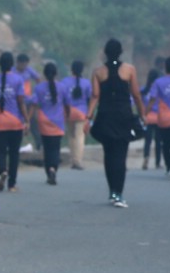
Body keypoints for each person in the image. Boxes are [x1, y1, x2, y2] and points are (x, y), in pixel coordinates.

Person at [90, 38, 147, 206]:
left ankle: (111, 192)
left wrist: (88, 117)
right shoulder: (130, 70)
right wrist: (142, 114)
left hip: (105, 116)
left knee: (109, 154)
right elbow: (136, 95)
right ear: (120, 52)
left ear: (105, 53)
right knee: (121, 155)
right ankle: (118, 193)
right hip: (123, 117)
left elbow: (95, 96)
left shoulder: (98, 72)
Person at [0, 51, 30, 192]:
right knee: (14, 153)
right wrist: (27, 120)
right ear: (12, 64)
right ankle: (12, 184)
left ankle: (3, 171)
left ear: (0, 64)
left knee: (0, 151)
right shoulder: (18, 80)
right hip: (15, 122)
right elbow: (21, 102)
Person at [28, 62, 69, 185]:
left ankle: (48, 170)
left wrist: (28, 120)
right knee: (55, 148)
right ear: (56, 73)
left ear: (44, 74)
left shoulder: (39, 88)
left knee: (46, 147)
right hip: (58, 121)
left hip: (44, 120)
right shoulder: (62, 87)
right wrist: (67, 117)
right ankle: (53, 168)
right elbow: (67, 105)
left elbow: (34, 104)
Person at [58, 60, 94, 170]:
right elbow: (89, 99)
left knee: (71, 136)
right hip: (82, 113)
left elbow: (62, 98)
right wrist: (90, 114)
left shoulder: (64, 82)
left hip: (69, 112)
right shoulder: (86, 83)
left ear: (71, 69)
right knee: (80, 136)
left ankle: (73, 159)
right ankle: (78, 161)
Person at [16, 53, 42, 153]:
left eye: (25, 64)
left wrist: (36, 92)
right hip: (18, 102)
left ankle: (39, 144)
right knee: (19, 123)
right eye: (22, 64)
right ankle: (18, 145)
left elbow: (38, 79)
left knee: (34, 122)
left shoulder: (29, 71)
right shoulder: (14, 71)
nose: (24, 66)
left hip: (29, 101)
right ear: (18, 63)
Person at [139, 68, 161, 171]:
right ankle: (157, 162)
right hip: (158, 118)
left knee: (147, 141)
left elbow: (139, 102)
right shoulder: (159, 90)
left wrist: (142, 114)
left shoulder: (144, 90)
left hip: (147, 117)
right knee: (158, 141)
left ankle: (146, 159)